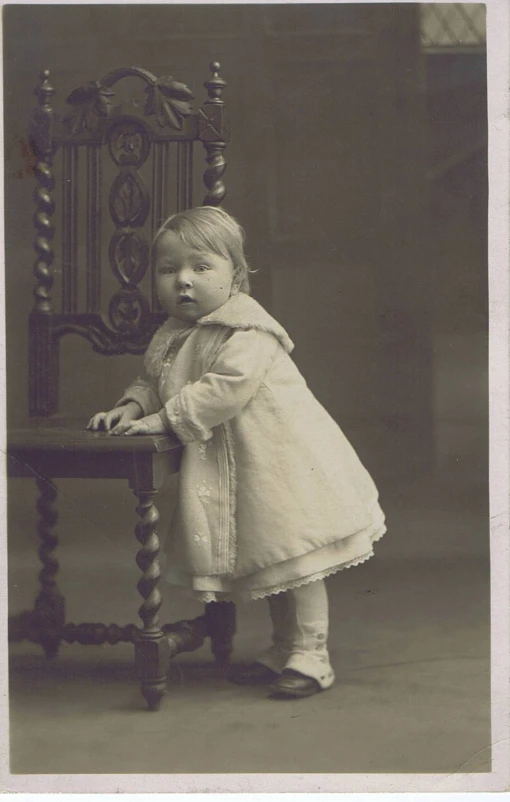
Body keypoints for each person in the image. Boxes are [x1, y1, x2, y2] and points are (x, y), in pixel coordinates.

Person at [87, 206, 386, 699]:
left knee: (298, 557)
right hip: (239, 468)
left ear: (236, 275)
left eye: (201, 268)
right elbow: (155, 377)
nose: (183, 281)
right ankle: (282, 647)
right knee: (269, 559)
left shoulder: (248, 331)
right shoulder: (171, 332)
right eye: (169, 270)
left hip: (283, 463)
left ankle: (313, 654)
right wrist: (132, 404)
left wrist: (160, 420)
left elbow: (223, 389)